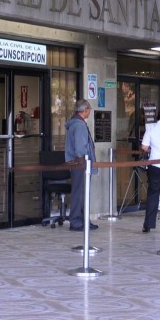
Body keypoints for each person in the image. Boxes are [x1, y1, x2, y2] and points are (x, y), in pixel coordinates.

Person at [65, 99, 97, 231]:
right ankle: (76, 221)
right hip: (81, 164)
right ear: (85, 110)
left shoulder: (77, 123)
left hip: (80, 164)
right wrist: (85, 161)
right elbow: (80, 148)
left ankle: (84, 220)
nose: (90, 111)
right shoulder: (79, 125)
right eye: (89, 109)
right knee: (79, 193)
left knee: (83, 193)